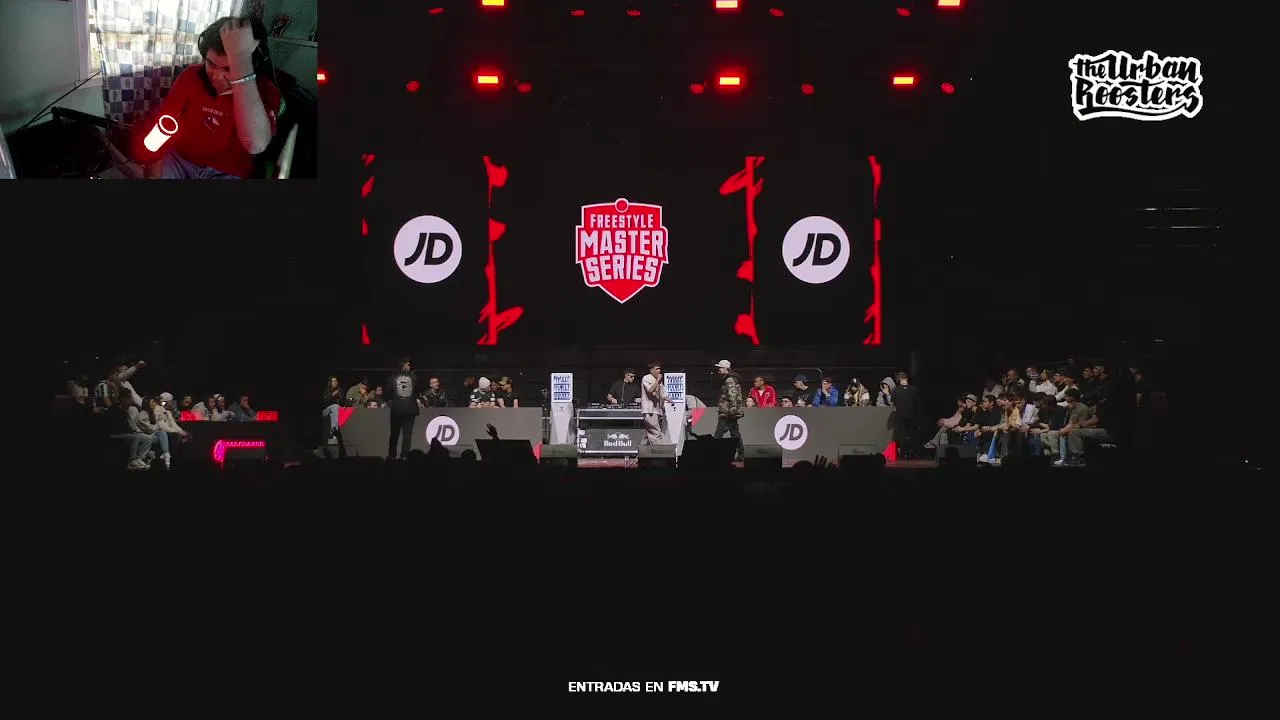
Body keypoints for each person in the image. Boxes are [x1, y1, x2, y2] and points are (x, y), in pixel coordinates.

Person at [138, 17, 281, 179]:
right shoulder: (191, 75)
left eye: (228, 68)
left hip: (227, 172)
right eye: (211, 64)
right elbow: (162, 123)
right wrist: (152, 163)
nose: (217, 76)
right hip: (180, 159)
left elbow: (255, 144)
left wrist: (240, 62)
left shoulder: (264, 89)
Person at [386, 358, 419, 461]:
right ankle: (404, 456)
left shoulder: (392, 378)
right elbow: (418, 391)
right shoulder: (414, 378)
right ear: (403, 365)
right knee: (407, 435)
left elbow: (389, 393)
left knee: (394, 434)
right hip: (410, 409)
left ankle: (392, 456)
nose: (409, 366)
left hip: (397, 409)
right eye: (408, 364)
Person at [713, 360, 745, 457]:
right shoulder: (730, 379)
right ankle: (741, 454)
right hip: (730, 411)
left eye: (720, 368)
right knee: (735, 433)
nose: (718, 370)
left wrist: (732, 410)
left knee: (719, 434)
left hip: (727, 412)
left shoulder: (729, 380)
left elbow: (732, 395)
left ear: (725, 369)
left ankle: (714, 455)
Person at [890, 371, 920, 458]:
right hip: (912, 415)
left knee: (902, 435)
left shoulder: (895, 390)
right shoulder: (914, 390)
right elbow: (918, 404)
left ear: (899, 379)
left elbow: (892, 404)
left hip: (900, 416)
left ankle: (903, 453)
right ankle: (914, 452)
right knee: (912, 434)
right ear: (907, 379)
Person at [641, 362, 669, 445]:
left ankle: (641, 450)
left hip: (657, 410)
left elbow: (663, 394)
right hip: (649, 410)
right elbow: (650, 390)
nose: (659, 371)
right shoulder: (646, 378)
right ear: (651, 370)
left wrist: (670, 400)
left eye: (659, 369)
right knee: (656, 432)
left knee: (649, 433)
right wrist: (657, 381)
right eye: (657, 369)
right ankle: (658, 451)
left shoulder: (659, 381)